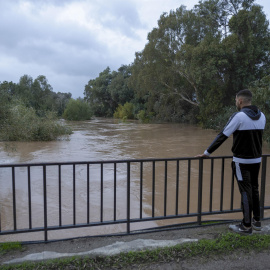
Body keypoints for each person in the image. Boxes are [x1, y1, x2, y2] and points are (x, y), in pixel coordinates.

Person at [196, 89, 266, 235]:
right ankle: (257, 221)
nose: (235, 102)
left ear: (240, 101)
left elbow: (223, 135)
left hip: (241, 161)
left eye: (236, 100)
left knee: (245, 192)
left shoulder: (239, 117)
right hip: (257, 160)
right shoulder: (262, 116)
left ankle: (246, 226)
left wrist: (206, 153)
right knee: (254, 189)